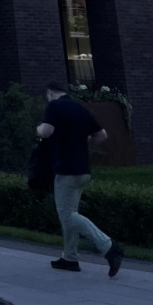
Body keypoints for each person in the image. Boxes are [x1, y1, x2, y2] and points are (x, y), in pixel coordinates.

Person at [37, 82, 124, 276]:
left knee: (67, 216)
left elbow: (46, 131)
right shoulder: (80, 108)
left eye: (47, 97)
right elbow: (101, 135)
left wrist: (38, 129)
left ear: (49, 93)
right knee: (71, 213)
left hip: (65, 169)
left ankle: (109, 247)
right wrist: (84, 143)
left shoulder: (55, 106)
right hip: (83, 169)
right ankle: (69, 258)